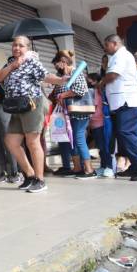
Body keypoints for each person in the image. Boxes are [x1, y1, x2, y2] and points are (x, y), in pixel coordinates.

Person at [0, 36, 66, 192]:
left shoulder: (32, 62)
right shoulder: (10, 62)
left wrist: (60, 80)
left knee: (32, 142)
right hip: (16, 106)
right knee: (11, 141)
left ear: (27, 48)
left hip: (32, 104)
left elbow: (45, 76)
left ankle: (40, 180)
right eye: (15, 45)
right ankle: (30, 175)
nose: (17, 48)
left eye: (21, 45)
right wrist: (13, 65)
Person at [101, 35, 137, 181]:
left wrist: (101, 82)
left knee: (125, 133)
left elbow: (113, 75)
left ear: (115, 43)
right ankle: (135, 166)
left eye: (107, 45)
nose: (105, 48)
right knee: (126, 136)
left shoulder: (121, 55)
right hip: (122, 103)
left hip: (127, 102)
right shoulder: (117, 56)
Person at [49, 50, 95, 179]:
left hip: (79, 113)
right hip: (70, 114)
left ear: (63, 62)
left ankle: (89, 169)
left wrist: (63, 95)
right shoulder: (65, 75)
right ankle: (77, 167)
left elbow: (80, 89)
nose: (56, 67)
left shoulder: (75, 72)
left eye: (57, 64)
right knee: (73, 140)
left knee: (79, 138)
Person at [88, 73, 115, 178]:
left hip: (102, 122)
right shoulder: (95, 91)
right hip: (95, 123)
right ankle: (103, 166)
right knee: (101, 147)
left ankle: (109, 167)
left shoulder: (99, 91)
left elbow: (95, 107)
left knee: (105, 147)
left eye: (90, 80)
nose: (89, 83)